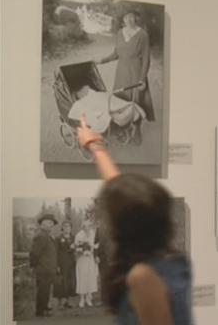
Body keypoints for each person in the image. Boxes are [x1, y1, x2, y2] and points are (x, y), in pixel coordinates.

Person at [77, 115, 192, 325]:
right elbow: (122, 194)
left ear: (123, 226)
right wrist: (95, 146)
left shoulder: (144, 276)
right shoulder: (172, 259)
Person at [96, 10, 155, 144]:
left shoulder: (143, 35)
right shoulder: (119, 33)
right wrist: (102, 60)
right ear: (123, 19)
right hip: (121, 71)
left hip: (135, 71)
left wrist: (142, 79)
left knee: (136, 101)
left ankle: (137, 130)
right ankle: (123, 127)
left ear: (136, 18)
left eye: (131, 17)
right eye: (125, 17)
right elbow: (116, 54)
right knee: (121, 100)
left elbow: (146, 59)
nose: (128, 20)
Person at [30, 213, 58, 317]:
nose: (52, 225)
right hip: (43, 270)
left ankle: (44, 307)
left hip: (48, 270)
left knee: (46, 290)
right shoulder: (41, 236)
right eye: (49, 223)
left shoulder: (48, 236)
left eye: (52, 223)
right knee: (42, 290)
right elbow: (34, 254)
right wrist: (34, 266)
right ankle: (40, 312)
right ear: (42, 224)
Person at [75, 218, 99, 308]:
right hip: (82, 260)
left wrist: (92, 250)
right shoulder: (79, 235)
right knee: (82, 278)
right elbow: (76, 248)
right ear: (83, 226)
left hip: (90, 259)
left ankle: (88, 298)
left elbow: (96, 245)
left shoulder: (93, 234)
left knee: (90, 277)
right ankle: (82, 298)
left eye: (89, 225)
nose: (87, 227)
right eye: (85, 226)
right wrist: (83, 252)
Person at [54, 220, 76, 309]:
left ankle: (67, 302)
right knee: (60, 283)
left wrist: (74, 249)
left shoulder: (73, 238)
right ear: (62, 228)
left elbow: (76, 249)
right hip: (62, 263)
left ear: (71, 228)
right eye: (65, 226)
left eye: (69, 226)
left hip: (71, 263)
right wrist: (57, 265)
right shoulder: (58, 238)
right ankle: (60, 304)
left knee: (69, 282)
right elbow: (55, 252)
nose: (67, 228)